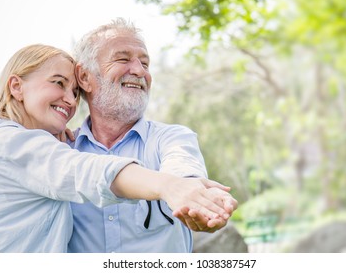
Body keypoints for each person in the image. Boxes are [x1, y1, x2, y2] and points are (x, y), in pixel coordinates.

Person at [0, 44, 234, 253]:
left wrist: (189, 188)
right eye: (58, 83)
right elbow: (86, 171)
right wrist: (169, 186)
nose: (70, 100)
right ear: (16, 87)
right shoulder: (16, 145)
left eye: (74, 93)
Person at [67, 18, 237, 253]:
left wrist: (196, 199)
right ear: (85, 77)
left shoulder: (173, 138)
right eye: (123, 59)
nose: (139, 71)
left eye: (145, 63)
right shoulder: (63, 151)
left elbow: (184, 171)